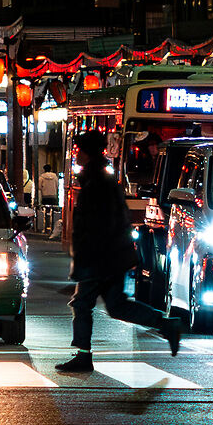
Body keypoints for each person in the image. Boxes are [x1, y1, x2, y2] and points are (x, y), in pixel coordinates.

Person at [52, 130, 183, 374]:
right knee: (116, 306)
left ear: (87, 153)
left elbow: (97, 225)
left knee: (82, 304)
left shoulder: (97, 182)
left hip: (100, 257)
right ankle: (166, 324)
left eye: (78, 150)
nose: (76, 154)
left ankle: (83, 355)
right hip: (110, 256)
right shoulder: (98, 178)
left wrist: (88, 262)